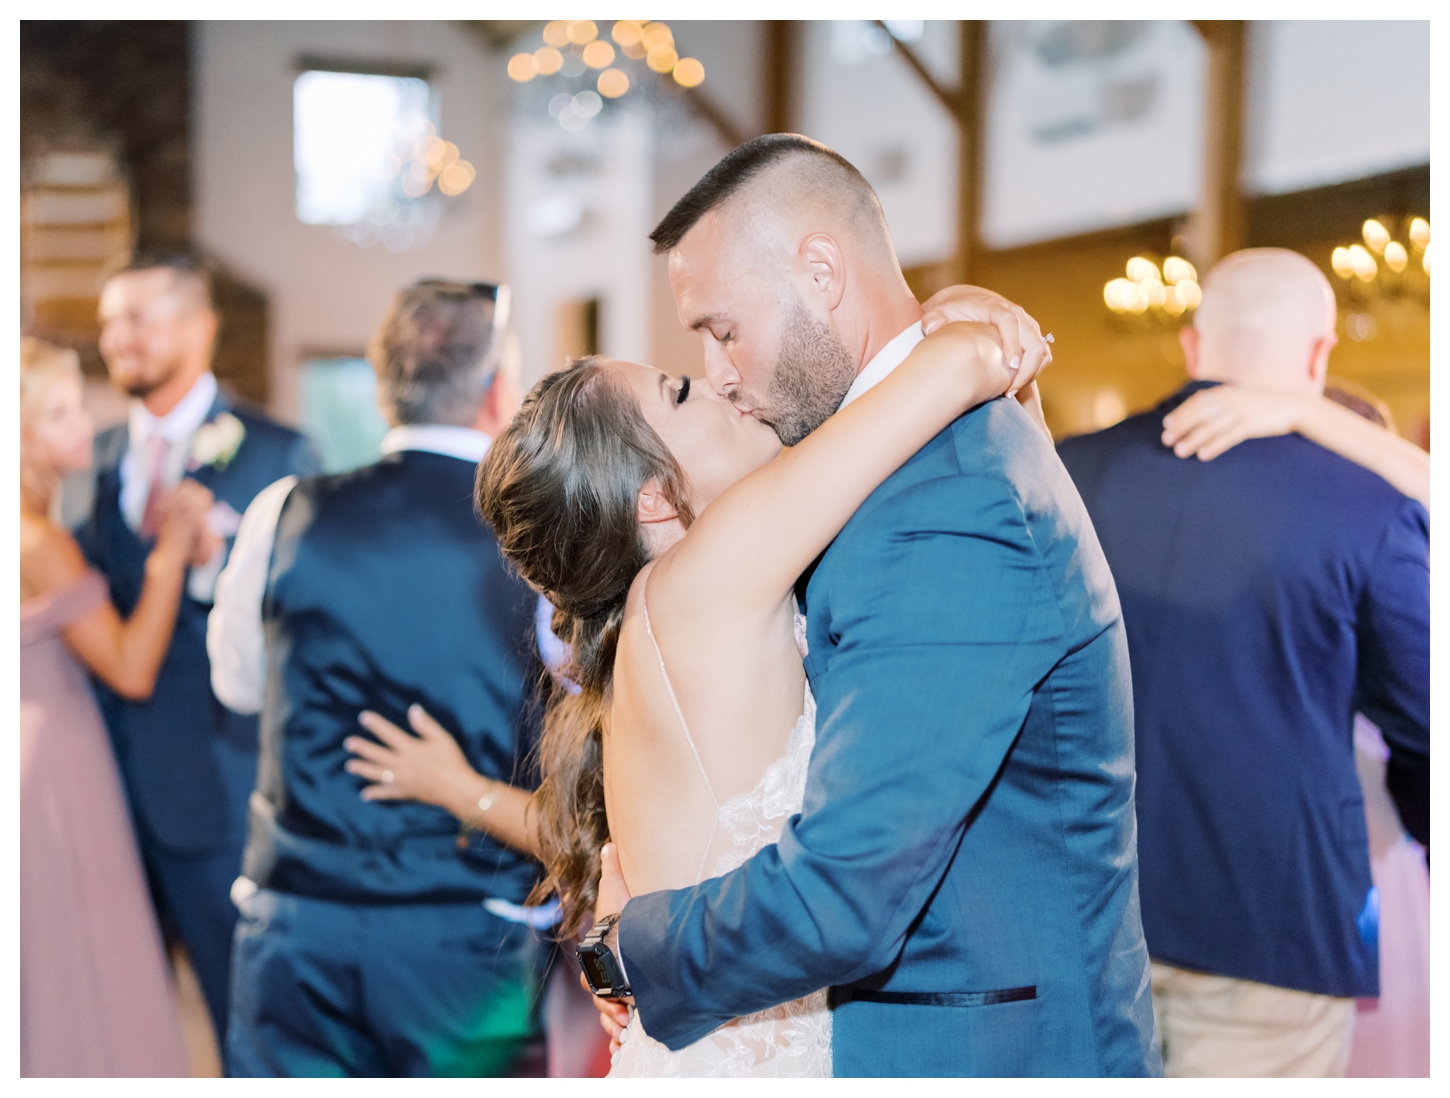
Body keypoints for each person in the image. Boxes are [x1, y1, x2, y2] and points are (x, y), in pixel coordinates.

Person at [485, 134, 1160, 1077]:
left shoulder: (919, 504)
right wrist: (963, 339)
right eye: (689, 373)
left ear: (819, 271)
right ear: (649, 499)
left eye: (719, 332)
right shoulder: (714, 573)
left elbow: (852, 878)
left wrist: (633, 945)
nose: (717, 374)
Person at [1055, 248, 1430, 1077]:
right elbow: (1425, 718)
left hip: (1079, 909)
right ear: (1321, 353)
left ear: (1193, 345)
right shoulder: (1367, 501)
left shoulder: (1066, 471)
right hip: (1274, 920)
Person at [209, 280, 550, 1077]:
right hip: (465, 934)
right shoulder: (539, 532)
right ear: (500, 388)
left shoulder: (285, 511)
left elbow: (238, 687)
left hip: (297, 923)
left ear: (386, 386)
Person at [72, 251, 320, 1040]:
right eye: (109, 322)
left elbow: (309, 615)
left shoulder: (281, 453)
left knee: (240, 1015)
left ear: (199, 326)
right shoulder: (88, 459)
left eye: (139, 318)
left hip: (218, 792)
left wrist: (218, 570)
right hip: (95, 788)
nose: (119, 338)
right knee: (108, 1018)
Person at [20, 338, 214, 1077]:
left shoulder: (45, 521)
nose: (85, 424)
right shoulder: (37, 540)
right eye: (59, 413)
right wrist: (173, 544)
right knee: (79, 956)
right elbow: (131, 667)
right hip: (54, 766)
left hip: (46, 747)